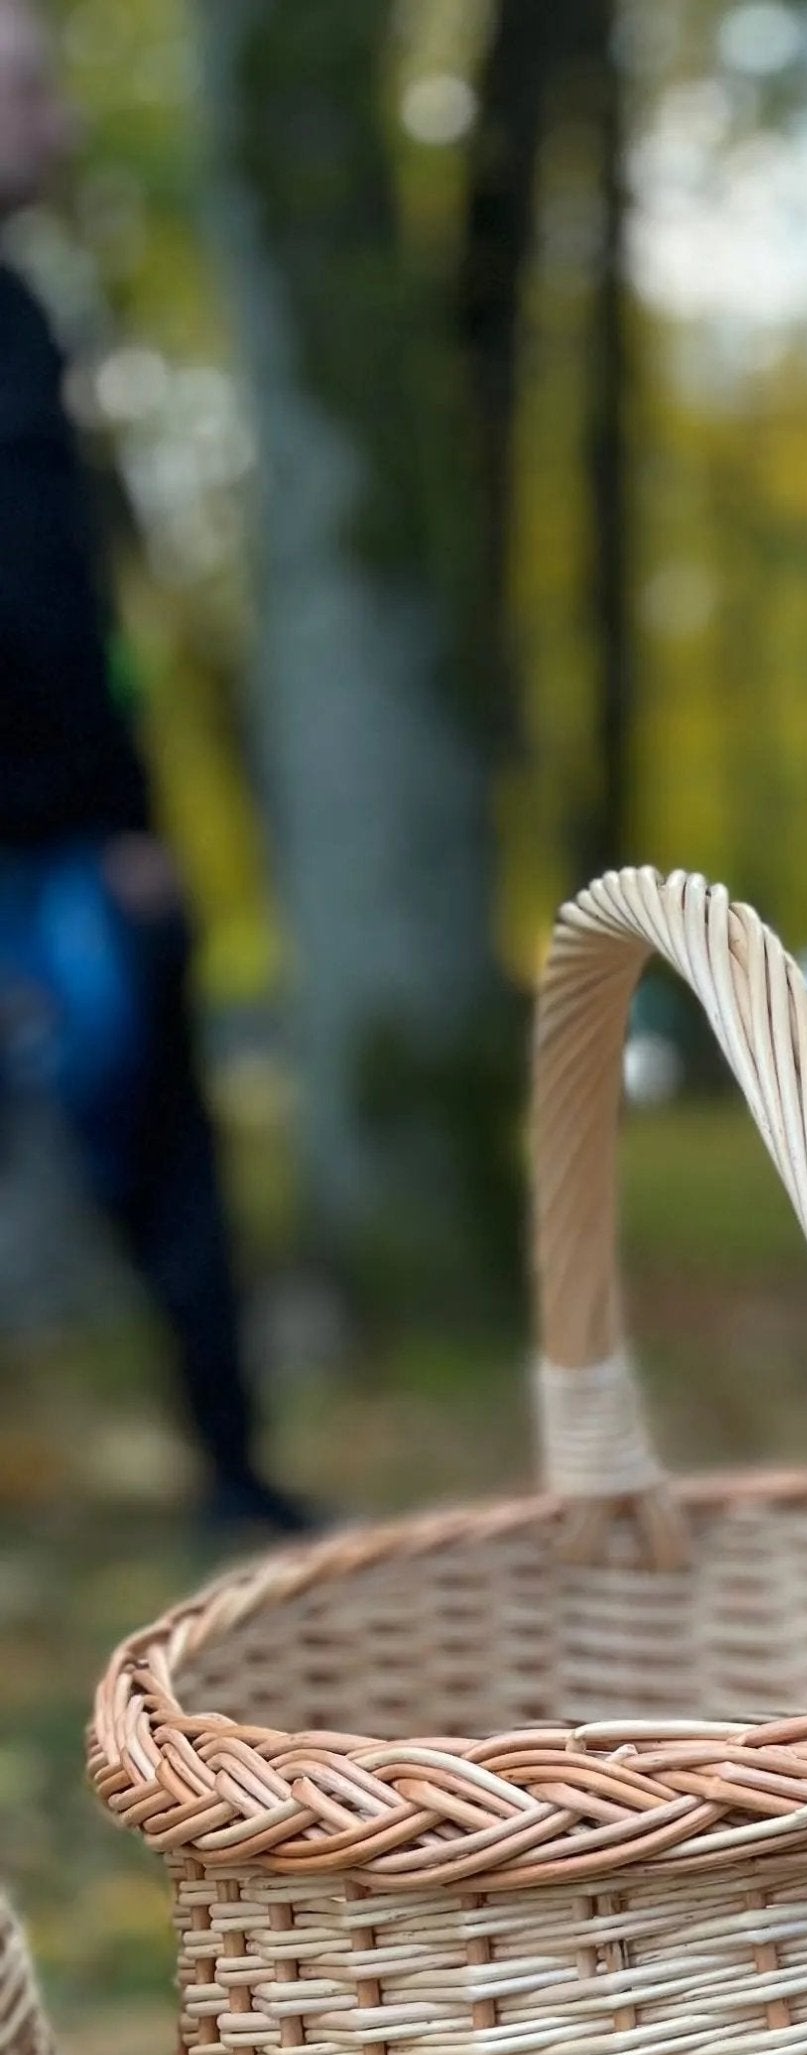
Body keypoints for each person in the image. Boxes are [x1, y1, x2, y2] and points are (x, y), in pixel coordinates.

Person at [0, 0, 304, 1535]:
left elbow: (76, 616)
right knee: (155, 1147)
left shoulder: (25, 314)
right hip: (46, 849)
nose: (57, 127)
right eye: (30, 95)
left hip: (70, 837)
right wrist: (107, 822)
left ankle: (234, 1466)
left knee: (166, 1153)